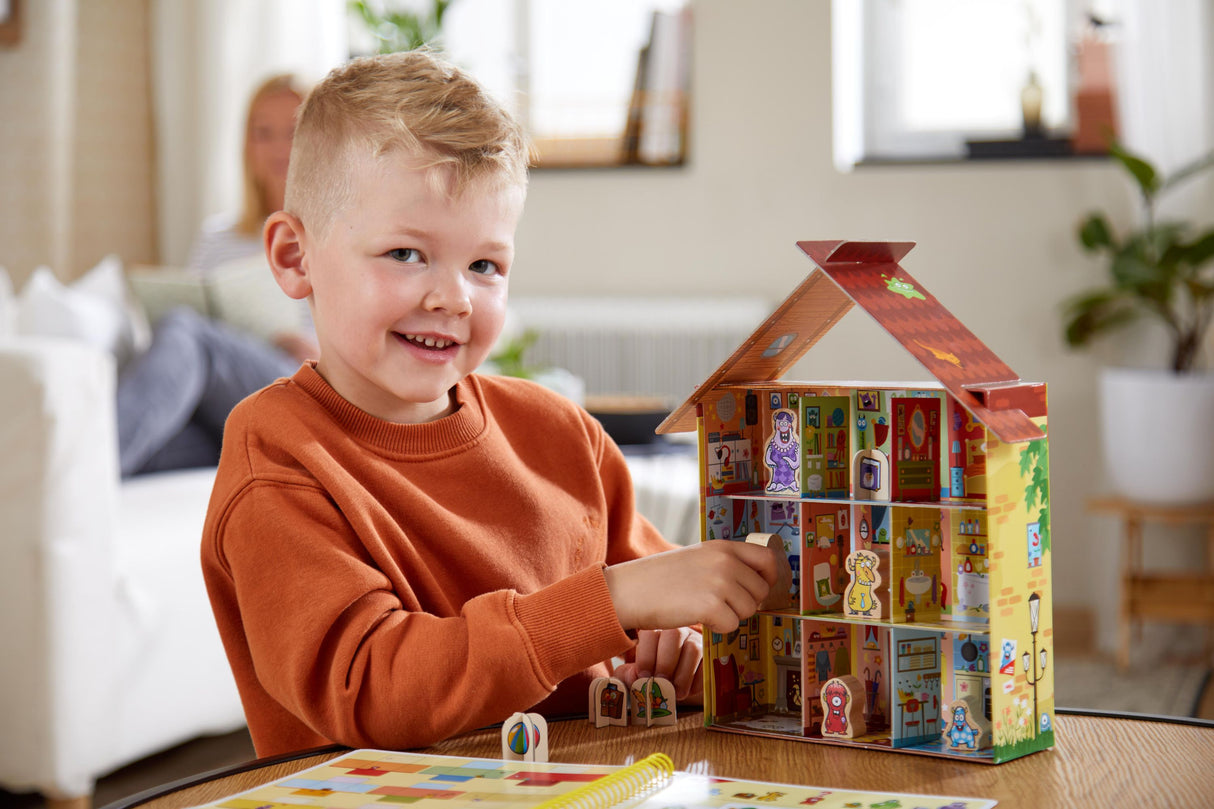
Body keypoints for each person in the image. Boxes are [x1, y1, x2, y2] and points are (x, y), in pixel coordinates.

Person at [200, 49, 791, 758]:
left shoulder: (561, 433)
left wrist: (682, 643)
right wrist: (614, 601)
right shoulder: (277, 452)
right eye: (405, 253)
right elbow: (370, 689)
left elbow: (664, 608)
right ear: (296, 258)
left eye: (485, 265)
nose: (452, 296)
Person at [117, 75, 316, 477]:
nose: (278, 147)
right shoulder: (218, 236)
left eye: (292, 133)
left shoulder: (335, 234)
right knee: (154, 437)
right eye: (263, 133)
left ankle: (71, 479)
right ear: (247, 145)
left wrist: (315, 353)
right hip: (225, 398)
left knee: (185, 330)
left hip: (293, 383)